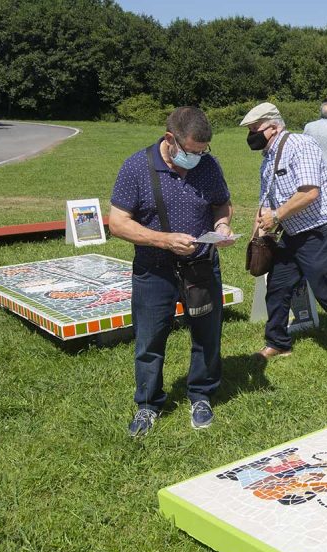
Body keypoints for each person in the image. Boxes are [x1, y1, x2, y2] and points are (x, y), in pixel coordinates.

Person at [108, 106, 235, 438]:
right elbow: (118, 223)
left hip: (202, 267)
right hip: (154, 271)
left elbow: (222, 202)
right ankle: (148, 404)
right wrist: (164, 241)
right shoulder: (136, 167)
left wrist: (222, 224)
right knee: (150, 341)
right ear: (170, 139)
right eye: (192, 151)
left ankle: (201, 394)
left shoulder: (208, 165)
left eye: (203, 151)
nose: (198, 157)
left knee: (207, 336)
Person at [240, 102, 327, 361]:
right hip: (293, 234)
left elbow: (310, 191)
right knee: (278, 286)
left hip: (321, 229)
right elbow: (265, 203)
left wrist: (277, 215)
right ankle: (278, 342)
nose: (251, 135)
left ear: (274, 127)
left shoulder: (300, 146)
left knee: (325, 289)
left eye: (255, 129)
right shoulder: (268, 159)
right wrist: (255, 237)